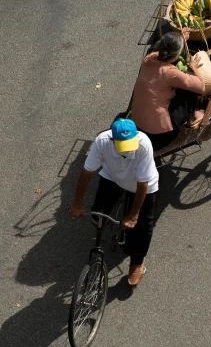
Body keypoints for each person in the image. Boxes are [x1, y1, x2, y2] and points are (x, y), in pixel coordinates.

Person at [68, 119, 159, 289]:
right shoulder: (102, 141)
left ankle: (137, 263)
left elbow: (143, 184)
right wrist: (77, 203)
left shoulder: (144, 144)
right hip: (113, 177)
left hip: (141, 185)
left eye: (130, 143)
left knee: (142, 227)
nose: (129, 148)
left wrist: (133, 216)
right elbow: (87, 172)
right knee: (97, 216)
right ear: (112, 140)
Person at [130, 31, 209, 151]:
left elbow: (158, 52)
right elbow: (200, 86)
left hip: (138, 125)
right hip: (160, 134)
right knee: (188, 87)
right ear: (175, 57)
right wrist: (194, 68)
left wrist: (181, 39)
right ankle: (192, 117)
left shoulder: (148, 59)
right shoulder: (170, 73)